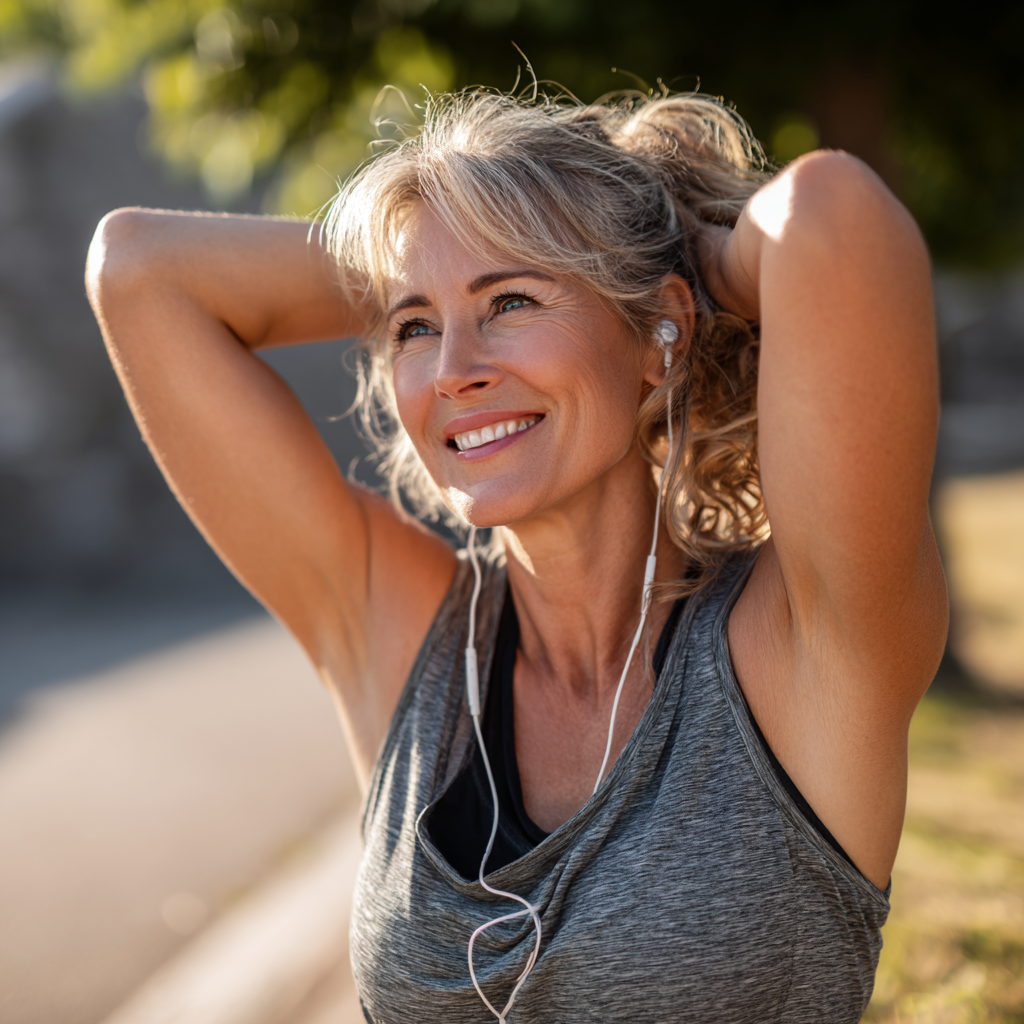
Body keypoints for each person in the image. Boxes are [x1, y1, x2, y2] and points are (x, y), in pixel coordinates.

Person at [87, 89, 948, 1023]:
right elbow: (138, 268)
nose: (454, 368)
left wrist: (673, 255)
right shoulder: (410, 642)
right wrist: (435, 245)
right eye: (414, 324)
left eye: (511, 300)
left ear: (660, 334)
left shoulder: (800, 648)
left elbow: (832, 219)